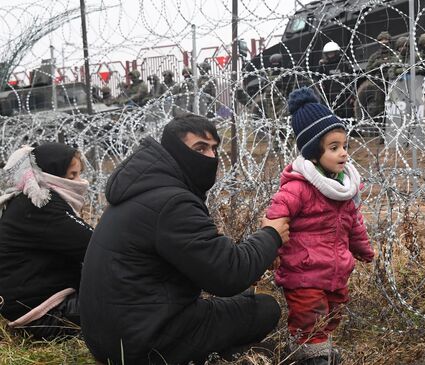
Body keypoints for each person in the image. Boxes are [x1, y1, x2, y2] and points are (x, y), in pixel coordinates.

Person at [79, 115, 290, 364]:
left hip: (114, 337)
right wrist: (271, 235)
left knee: (241, 301)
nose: (210, 158)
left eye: (214, 149)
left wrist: (253, 259)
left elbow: (197, 262)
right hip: (147, 344)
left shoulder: (145, 188)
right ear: (175, 151)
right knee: (265, 309)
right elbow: (228, 275)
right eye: (199, 148)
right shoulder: (172, 202)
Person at [266, 88, 374, 365]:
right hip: (304, 272)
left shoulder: (342, 188)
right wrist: (268, 244)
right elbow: (276, 215)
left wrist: (363, 250)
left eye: (345, 146)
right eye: (334, 147)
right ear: (314, 153)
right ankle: (312, 355)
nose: (343, 154)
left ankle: (312, 350)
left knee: (330, 315)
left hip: (335, 270)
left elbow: (354, 223)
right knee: (309, 317)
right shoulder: (298, 188)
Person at [0, 142, 92, 340]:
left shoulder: (32, 199)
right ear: (52, 174)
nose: (80, 182)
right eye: (71, 176)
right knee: (128, 304)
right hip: (44, 316)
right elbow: (94, 246)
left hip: (34, 305)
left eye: (79, 174)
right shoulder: (42, 204)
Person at [316, 41, 356, 120]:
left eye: (332, 53)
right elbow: (317, 80)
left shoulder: (344, 64)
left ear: (336, 53)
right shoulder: (323, 66)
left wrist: (352, 96)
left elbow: (352, 80)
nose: (331, 55)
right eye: (329, 53)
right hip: (329, 96)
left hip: (345, 96)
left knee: (347, 117)